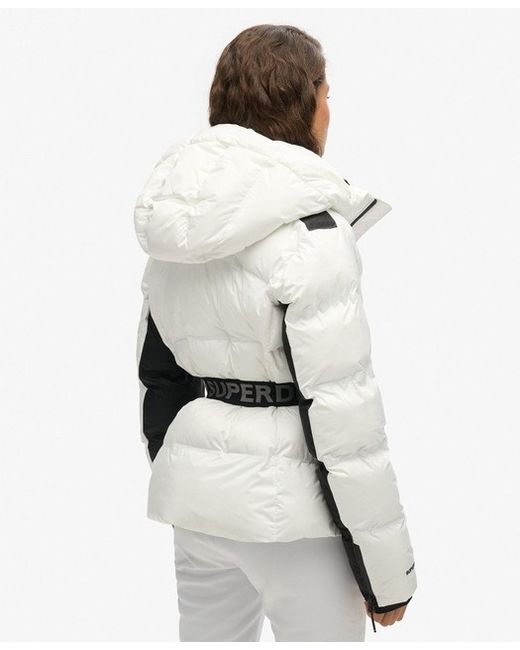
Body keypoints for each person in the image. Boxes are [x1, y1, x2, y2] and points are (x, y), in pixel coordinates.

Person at [133, 23, 417, 642]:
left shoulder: (177, 223)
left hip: (200, 509)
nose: (330, 110)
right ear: (304, 101)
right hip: (296, 521)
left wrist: (188, 469)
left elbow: (158, 374)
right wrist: (386, 575)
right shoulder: (312, 232)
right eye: (327, 94)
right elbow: (344, 416)